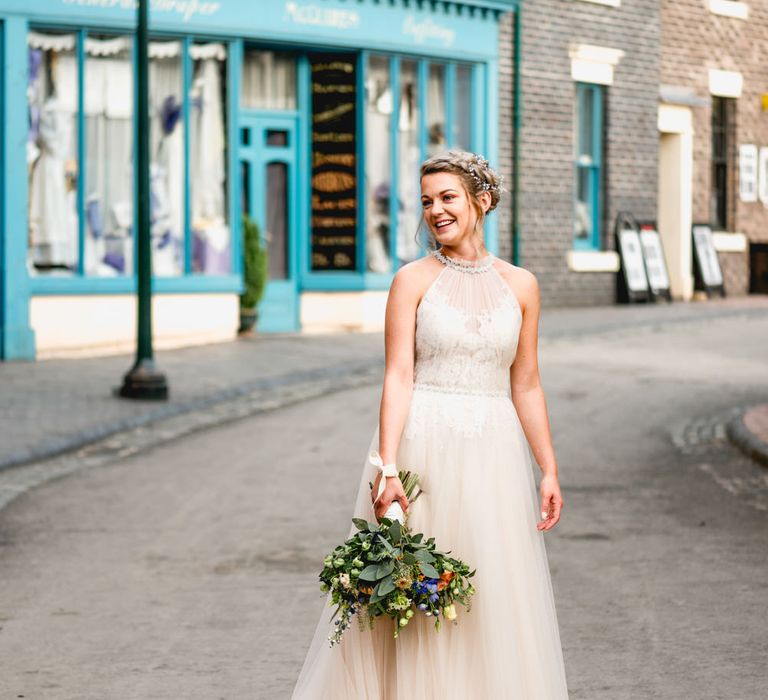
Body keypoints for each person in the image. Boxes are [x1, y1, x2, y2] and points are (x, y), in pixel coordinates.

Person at [292, 151, 568, 699]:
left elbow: (527, 383)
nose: (435, 211)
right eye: (426, 201)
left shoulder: (523, 286)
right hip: (425, 450)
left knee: (489, 590)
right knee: (414, 593)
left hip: (493, 453)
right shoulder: (412, 280)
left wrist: (549, 468)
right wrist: (387, 466)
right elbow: (398, 376)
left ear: (480, 201)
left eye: (447, 198)